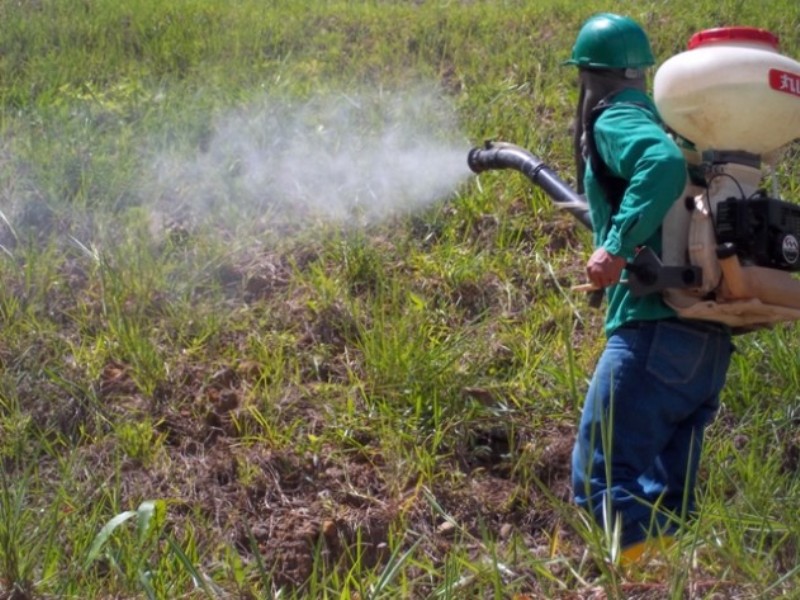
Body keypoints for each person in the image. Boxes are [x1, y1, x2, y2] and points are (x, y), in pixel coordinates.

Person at [564, 13, 734, 564]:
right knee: (667, 503)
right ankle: (681, 578)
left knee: (599, 485)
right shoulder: (673, 128)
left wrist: (613, 246)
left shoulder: (616, 120)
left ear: (590, 76)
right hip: (704, 343)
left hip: (651, 331)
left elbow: (657, 168)